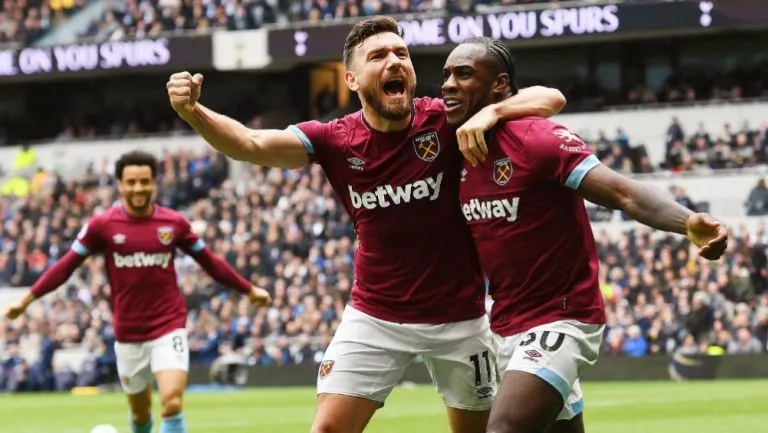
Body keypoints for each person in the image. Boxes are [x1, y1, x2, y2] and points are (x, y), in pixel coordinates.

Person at [166, 16, 565, 433]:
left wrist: (493, 113)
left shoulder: (445, 119)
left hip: (460, 320)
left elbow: (550, 97)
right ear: (352, 79)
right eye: (378, 56)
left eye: (402, 54)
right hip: (375, 317)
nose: (395, 61)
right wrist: (193, 111)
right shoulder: (334, 139)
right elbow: (250, 143)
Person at [442, 37, 729, 433]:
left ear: (499, 84)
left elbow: (623, 192)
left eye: (463, 74)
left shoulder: (535, 138)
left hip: (562, 318)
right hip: (505, 324)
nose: (448, 84)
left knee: (502, 429)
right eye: (445, 75)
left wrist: (686, 222)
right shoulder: (449, 143)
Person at [4, 151, 271, 433]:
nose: (138, 188)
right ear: (120, 184)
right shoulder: (102, 226)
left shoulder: (173, 223)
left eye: (145, 181)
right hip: (128, 334)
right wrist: (26, 299)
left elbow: (210, 262)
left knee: (172, 403)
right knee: (141, 415)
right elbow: (66, 265)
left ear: (154, 183)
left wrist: (248, 289)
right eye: (131, 182)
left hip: (169, 326)